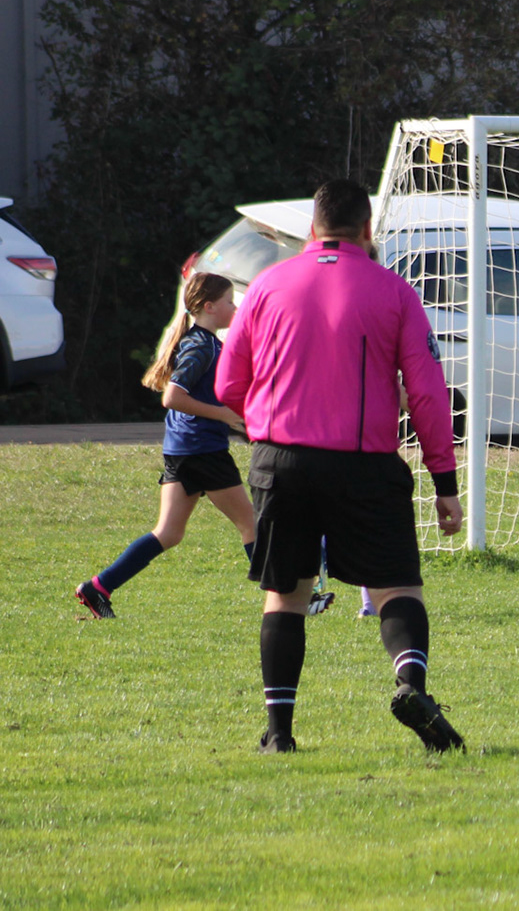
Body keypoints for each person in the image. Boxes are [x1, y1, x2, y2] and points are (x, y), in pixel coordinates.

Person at [215, 179, 465, 754]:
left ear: (312, 227)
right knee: (397, 587)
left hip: (281, 460)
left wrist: (273, 420)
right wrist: (444, 482)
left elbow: (228, 384)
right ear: (368, 229)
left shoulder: (266, 285)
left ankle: (279, 734)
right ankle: (411, 687)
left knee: (286, 595)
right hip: (365, 465)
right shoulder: (394, 290)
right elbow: (428, 394)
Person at [73, 273, 256, 619]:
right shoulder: (201, 346)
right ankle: (289, 597)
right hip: (202, 450)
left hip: (184, 449)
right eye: (230, 302)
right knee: (251, 524)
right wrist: (222, 415)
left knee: (168, 533)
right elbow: (172, 397)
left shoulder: (206, 342)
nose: (235, 308)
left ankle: (98, 587)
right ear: (209, 307)